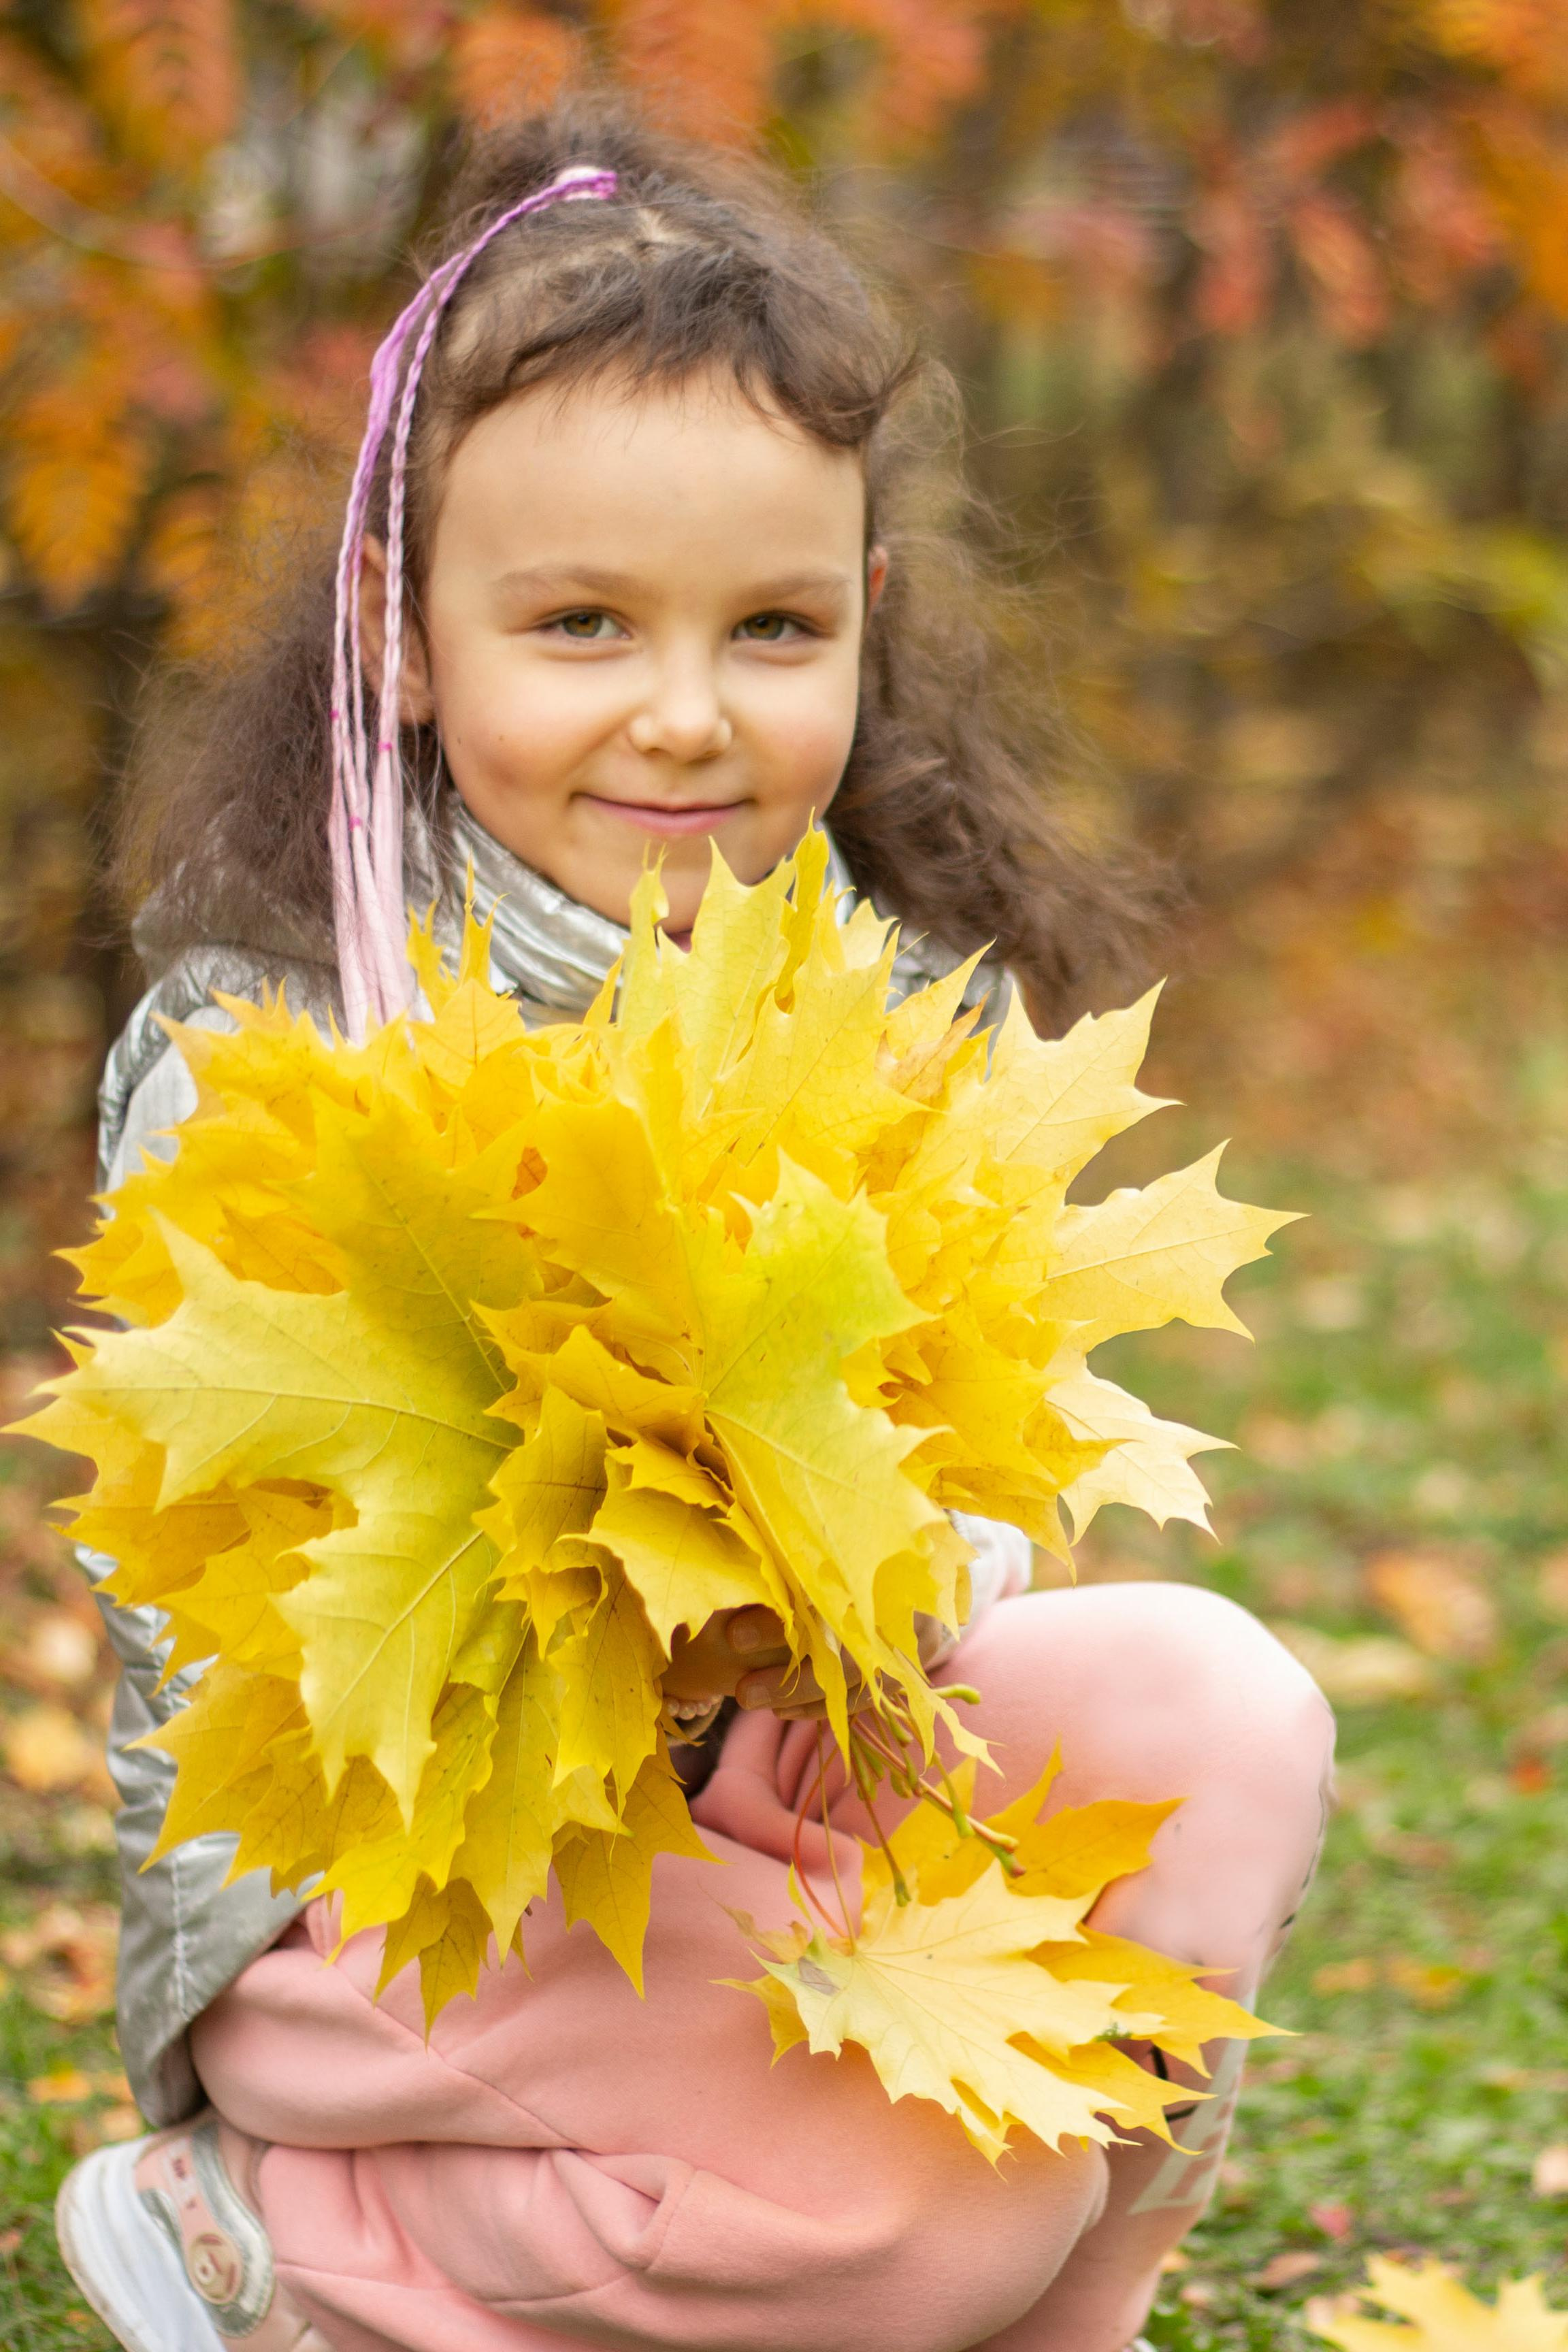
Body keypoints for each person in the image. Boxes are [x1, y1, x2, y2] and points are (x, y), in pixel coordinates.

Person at [53, 95, 1334, 2352]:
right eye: (579, 624)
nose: (681, 714)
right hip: (394, 1885)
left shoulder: (888, 995)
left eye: (770, 629)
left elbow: (970, 1468)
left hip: (776, 1780)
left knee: (1216, 1706)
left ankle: (1056, 2326)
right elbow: (238, 1613)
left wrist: (872, 1566)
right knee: (946, 2192)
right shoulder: (284, 1039)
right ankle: (285, 2241)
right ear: (404, 631)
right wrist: (610, 1614)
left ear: (865, 622)